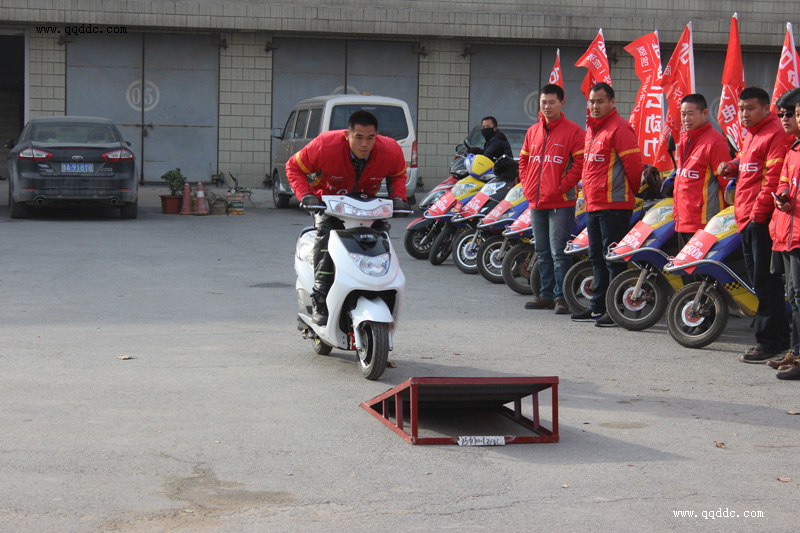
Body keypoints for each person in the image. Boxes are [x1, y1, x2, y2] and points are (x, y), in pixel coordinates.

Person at [286, 110, 409, 325]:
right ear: (347, 135)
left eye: (371, 137)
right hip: (329, 205)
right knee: (325, 241)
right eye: (359, 137)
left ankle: (380, 290)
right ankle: (320, 298)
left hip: (367, 205)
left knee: (380, 242)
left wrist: (398, 197)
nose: (365, 144)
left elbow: (397, 174)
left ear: (377, 136)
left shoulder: (390, 149)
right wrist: (306, 195)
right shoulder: (325, 144)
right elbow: (294, 167)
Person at [718, 87, 790, 363]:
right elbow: (751, 166)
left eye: (750, 108)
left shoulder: (775, 133)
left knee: (766, 282)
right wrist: (733, 164)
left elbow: (773, 180)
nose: (744, 114)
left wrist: (757, 216)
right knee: (760, 281)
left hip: (760, 221)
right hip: (746, 218)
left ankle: (769, 343)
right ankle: (777, 337)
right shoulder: (752, 135)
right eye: (741, 109)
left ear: (766, 108)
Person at [571, 82, 644, 327]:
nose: (595, 106)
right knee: (596, 258)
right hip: (594, 205)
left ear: (612, 102)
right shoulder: (592, 129)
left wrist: (630, 194)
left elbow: (634, 167)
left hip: (614, 205)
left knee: (612, 259)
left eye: (600, 101)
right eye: (591, 101)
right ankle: (597, 307)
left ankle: (616, 310)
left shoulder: (619, 128)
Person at [519, 84, 585, 314]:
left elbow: (579, 164)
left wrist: (561, 186)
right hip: (536, 202)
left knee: (559, 252)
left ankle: (561, 298)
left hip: (561, 202)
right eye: (543, 102)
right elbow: (524, 162)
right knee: (543, 251)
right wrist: (527, 187)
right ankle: (545, 295)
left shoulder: (574, 131)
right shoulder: (533, 131)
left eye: (551, 102)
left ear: (562, 103)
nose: (547, 106)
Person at [768, 88, 800, 379]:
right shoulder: (793, 150)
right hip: (788, 234)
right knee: (793, 296)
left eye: (790, 113)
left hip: (798, 235)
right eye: (782, 115)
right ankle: (795, 351)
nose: (785, 119)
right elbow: (783, 183)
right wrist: (781, 197)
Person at [673, 94, 732, 243]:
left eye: (690, 114)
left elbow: (727, 185)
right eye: (683, 114)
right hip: (682, 222)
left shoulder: (715, 141)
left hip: (705, 224)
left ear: (705, 113)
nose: (686, 119)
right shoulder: (684, 140)